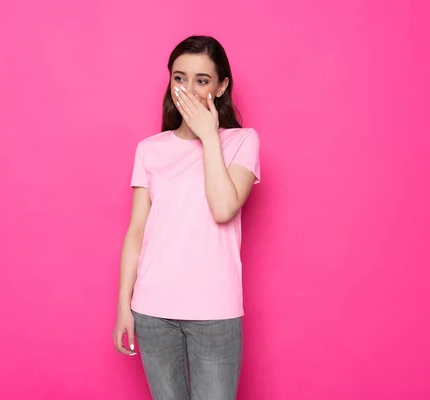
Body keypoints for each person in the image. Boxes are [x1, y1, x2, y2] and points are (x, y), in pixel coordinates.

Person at [113, 35, 261, 400]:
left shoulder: (243, 141)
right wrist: (123, 305)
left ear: (222, 85)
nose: (189, 90)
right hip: (152, 311)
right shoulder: (150, 150)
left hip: (214, 311)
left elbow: (224, 208)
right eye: (179, 78)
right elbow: (136, 233)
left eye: (202, 80)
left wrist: (210, 137)